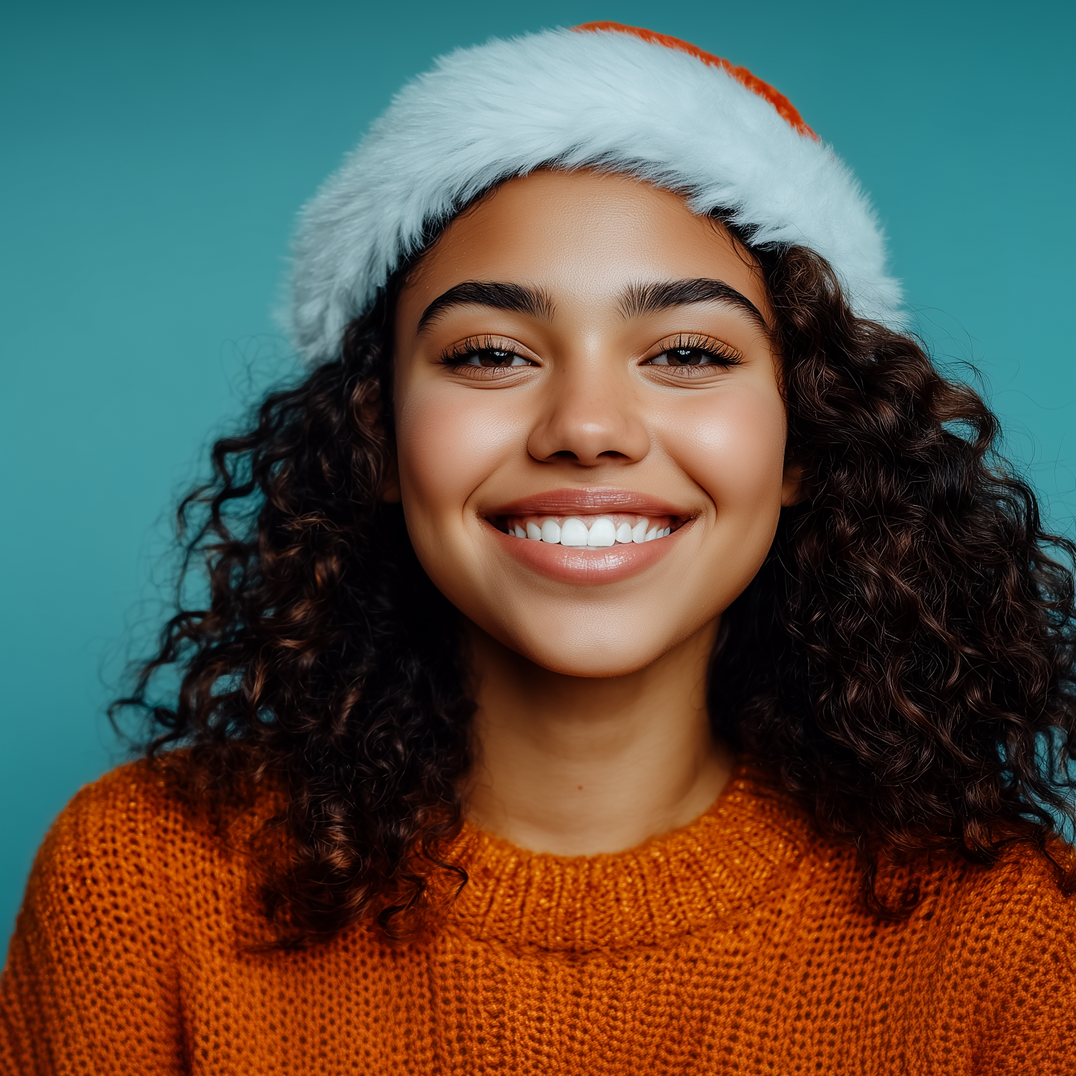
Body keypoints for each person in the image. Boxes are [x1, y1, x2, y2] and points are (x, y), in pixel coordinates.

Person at [2, 22, 1074, 1075]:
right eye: (492, 352)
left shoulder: (1018, 939)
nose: (587, 425)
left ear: (805, 438)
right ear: (374, 433)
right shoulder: (140, 880)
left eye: (688, 351)